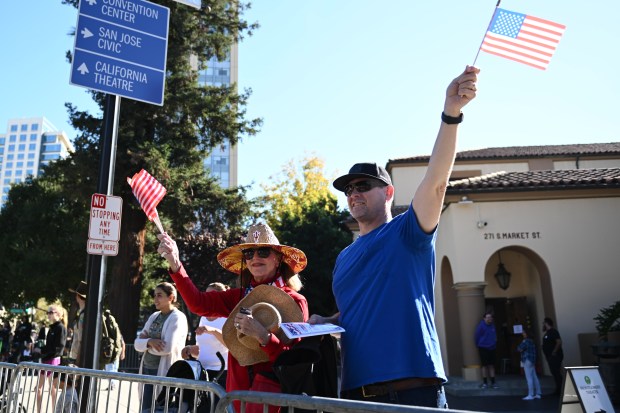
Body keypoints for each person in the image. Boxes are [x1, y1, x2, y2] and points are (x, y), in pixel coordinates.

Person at [307, 66, 479, 408]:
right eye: (349, 189)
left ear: (388, 193)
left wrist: (451, 114)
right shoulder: (345, 257)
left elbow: (435, 183)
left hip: (414, 393)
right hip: (356, 396)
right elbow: (353, 314)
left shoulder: (408, 233)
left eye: (363, 186)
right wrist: (322, 322)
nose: (354, 194)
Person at [157, 223, 309, 413]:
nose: (254, 258)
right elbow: (198, 304)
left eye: (263, 252)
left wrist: (265, 337)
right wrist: (175, 262)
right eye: (249, 253)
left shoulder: (295, 301)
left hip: (273, 402)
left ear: (278, 259)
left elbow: (294, 359)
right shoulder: (238, 296)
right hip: (235, 400)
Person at [134, 282, 188, 412]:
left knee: (160, 408)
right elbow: (136, 344)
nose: (155, 299)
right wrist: (151, 341)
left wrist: (145, 342)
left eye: (159, 295)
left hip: (165, 371)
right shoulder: (154, 316)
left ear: (171, 298)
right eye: (154, 295)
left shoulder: (177, 317)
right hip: (147, 369)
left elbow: (166, 348)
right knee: (146, 408)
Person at [181, 282, 230, 386]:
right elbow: (203, 348)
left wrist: (212, 330)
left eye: (211, 295)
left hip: (221, 373)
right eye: (206, 295)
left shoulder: (228, 317)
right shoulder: (203, 317)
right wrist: (189, 349)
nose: (208, 298)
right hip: (202, 371)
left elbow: (231, 345)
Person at [34, 304, 67, 413]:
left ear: (58, 314)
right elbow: (50, 346)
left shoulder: (60, 328)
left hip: (53, 360)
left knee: (52, 390)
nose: (48, 314)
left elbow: (59, 347)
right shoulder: (52, 328)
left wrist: (42, 350)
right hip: (47, 360)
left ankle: (55, 411)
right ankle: (39, 411)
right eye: (47, 312)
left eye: (50, 312)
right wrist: (41, 350)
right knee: (39, 389)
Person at [475, 312, 498, 389]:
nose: (489, 319)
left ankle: (493, 382)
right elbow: (477, 337)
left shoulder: (493, 326)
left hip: (492, 348)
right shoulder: (481, 326)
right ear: (484, 318)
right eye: (487, 317)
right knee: (484, 365)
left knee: (491, 365)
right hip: (483, 348)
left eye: (490, 317)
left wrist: (494, 343)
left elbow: (494, 336)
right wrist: (479, 344)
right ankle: (485, 383)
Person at [517, 329, 541, 400]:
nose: (522, 333)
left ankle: (530, 394)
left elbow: (519, 348)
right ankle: (538, 393)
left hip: (526, 359)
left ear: (527, 334)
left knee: (529, 377)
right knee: (534, 376)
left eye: (524, 332)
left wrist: (520, 346)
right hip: (532, 360)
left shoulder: (526, 341)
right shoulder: (532, 341)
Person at [542, 317, 563, 395]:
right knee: (554, 372)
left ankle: (561, 390)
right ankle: (558, 389)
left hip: (555, 356)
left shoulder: (553, 332)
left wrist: (554, 351)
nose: (543, 325)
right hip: (550, 356)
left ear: (547, 323)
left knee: (556, 372)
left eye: (543, 323)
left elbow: (559, 342)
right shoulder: (547, 333)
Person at [67, 281, 87, 366]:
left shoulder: (83, 316)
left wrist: (77, 362)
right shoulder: (83, 313)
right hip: (78, 356)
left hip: (78, 358)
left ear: (78, 296)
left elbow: (81, 340)